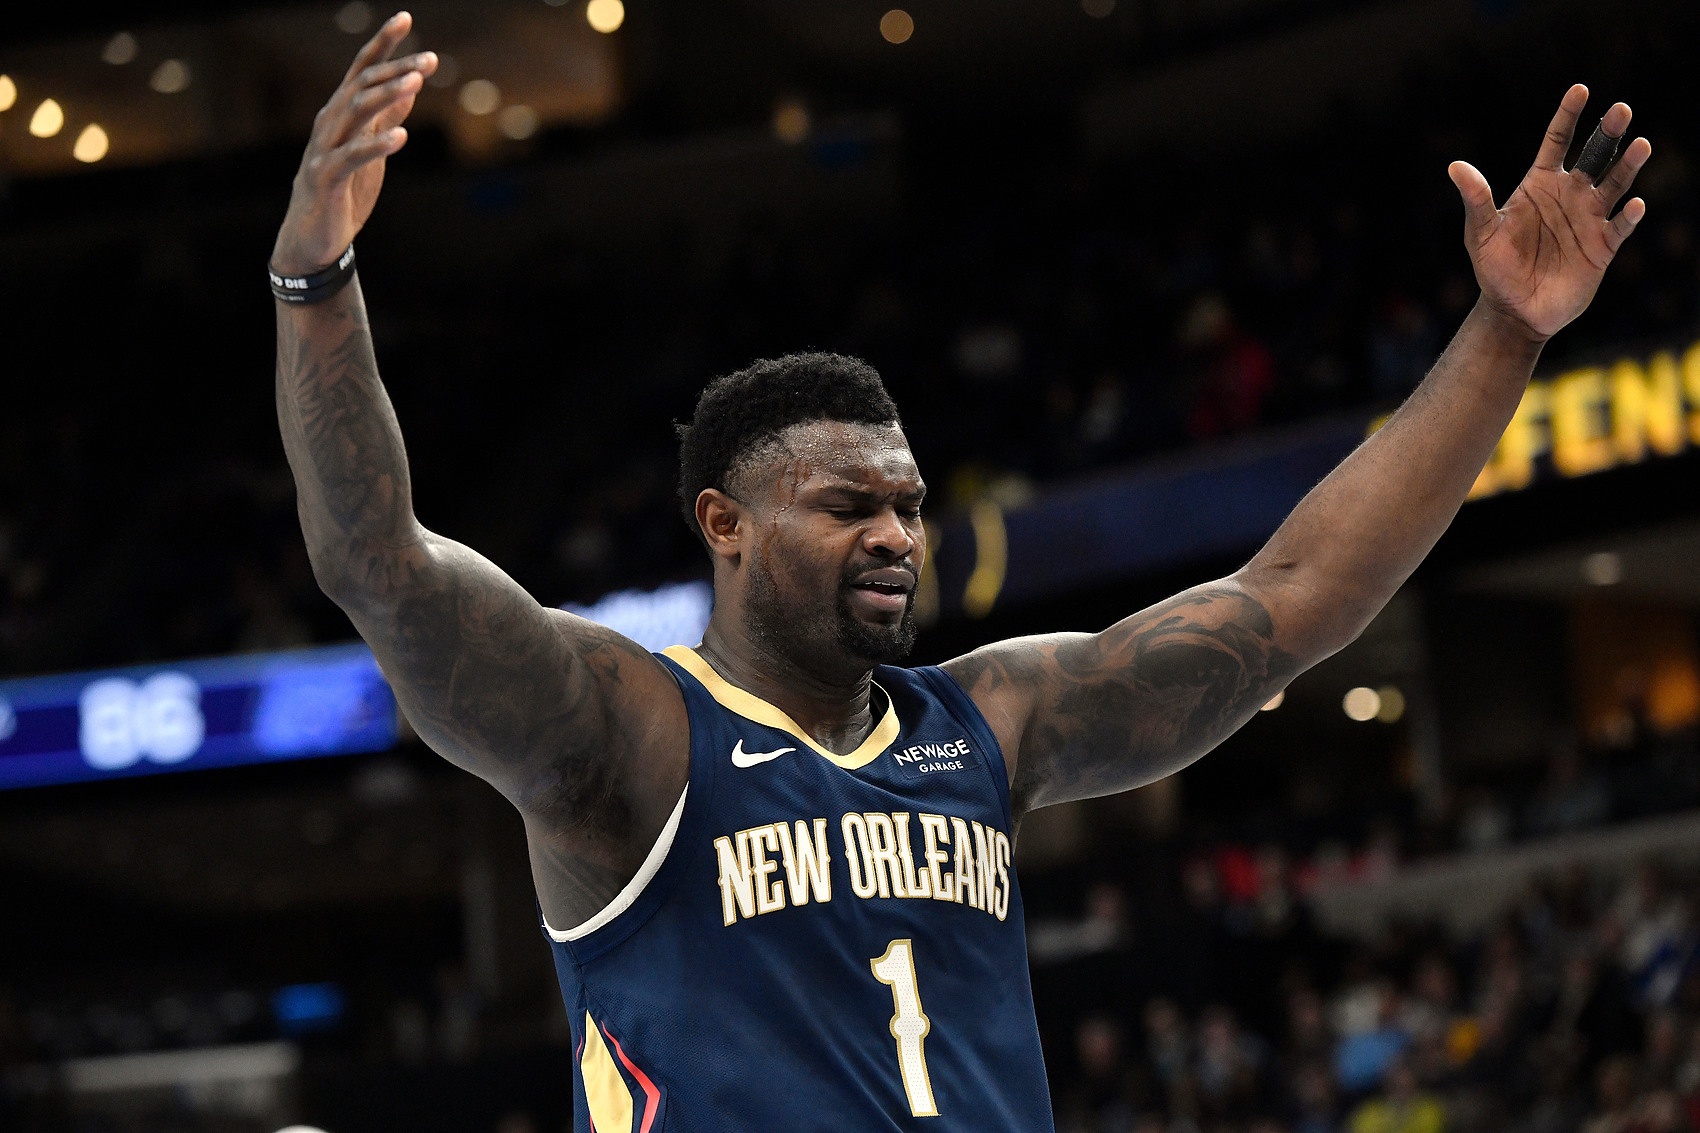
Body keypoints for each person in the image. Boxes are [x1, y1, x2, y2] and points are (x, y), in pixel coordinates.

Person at [270, 13, 1650, 1130]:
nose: (894, 533)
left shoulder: (988, 720)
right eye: (846, 505)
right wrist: (316, 281)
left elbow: (1295, 599)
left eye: (909, 505)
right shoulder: (627, 729)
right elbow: (380, 568)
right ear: (724, 522)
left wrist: (1505, 333)